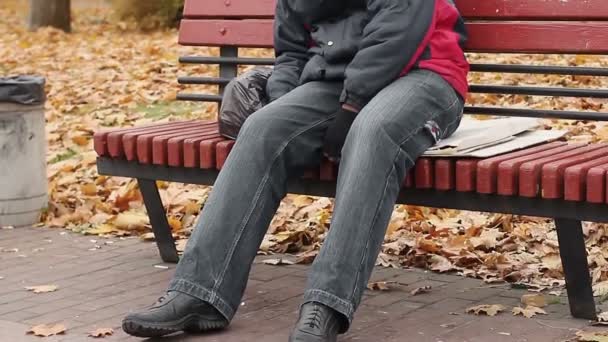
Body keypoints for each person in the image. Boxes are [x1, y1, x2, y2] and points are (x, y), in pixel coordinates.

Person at [122, 0, 469, 341]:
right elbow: (291, 53)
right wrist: (284, 102)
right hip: (337, 80)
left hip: (424, 74)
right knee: (263, 129)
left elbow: (400, 25)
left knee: (371, 131)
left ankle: (326, 305)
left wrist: (352, 105)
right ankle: (199, 293)